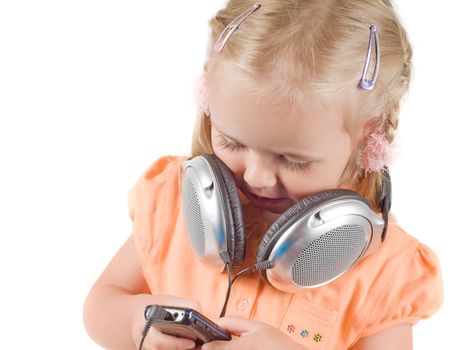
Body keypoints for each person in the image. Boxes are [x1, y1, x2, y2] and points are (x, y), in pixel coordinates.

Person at [83, 1, 443, 349]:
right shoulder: (173, 205)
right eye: (231, 141)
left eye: (293, 159)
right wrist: (136, 323)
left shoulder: (385, 270)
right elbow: (100, 305)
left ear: (369, 141)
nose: (256, 176)